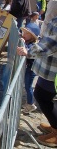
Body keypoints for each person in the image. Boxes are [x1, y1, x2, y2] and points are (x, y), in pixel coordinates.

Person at [17, 17, 57, 147]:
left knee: (43, 96)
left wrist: (29, 51)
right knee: (42, 95)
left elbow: (52, 43)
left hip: (53, 70)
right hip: (49, 67)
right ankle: (54, 126)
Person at [19, 23, 40, 114]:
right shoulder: (27, 42)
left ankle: (31, 104)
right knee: (27, 86)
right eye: (24, 32)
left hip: (31, 70)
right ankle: (29, 102)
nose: (24, 34)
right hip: (29, 68)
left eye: (27, 33)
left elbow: (28, 52)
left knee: (28, 86)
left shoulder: (32, 45)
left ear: (32, 37)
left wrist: (23, 44)